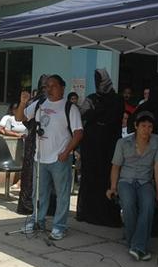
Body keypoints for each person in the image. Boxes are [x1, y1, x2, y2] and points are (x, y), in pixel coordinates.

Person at [16, 74, 83, 240]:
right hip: (40, 158)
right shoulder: (40, 103)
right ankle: (37, 220)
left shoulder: (70, 108)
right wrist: (23, 102)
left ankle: (59, 226)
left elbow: (78, 133)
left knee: (62, 194)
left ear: (62, 88)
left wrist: (66, 152)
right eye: (47, 86)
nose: (49, 89)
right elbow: (20, 118)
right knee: (38, 194)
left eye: (53, 86)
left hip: (59, 158)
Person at [107, 111, 158, 261]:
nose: (146, 129)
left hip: (145, 181)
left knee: (148, 205)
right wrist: (113, 187)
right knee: (128, 204)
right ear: (136, 126)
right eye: (143, 126)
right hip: (125, 180)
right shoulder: (123, 143)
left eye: (150, 126)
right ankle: (138, 245)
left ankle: (137, 245)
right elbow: (116, 166)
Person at [128, 73, 158, 237]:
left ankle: (155, 225)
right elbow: (131, 125)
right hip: (146, 152)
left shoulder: (154, 108)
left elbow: (136, 124)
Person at [77, 69, 124, 227]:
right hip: (91, 146)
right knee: (90, 177)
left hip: (109, 146)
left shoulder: (117, 99)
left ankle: (106, 215)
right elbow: (82, 114)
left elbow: (113, 118)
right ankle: (88, 213)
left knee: (108, 178)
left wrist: (96, 113)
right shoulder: (92, 98)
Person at [17, 74, 49, 215]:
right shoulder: (34, 103)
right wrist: (23, 102)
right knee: (30, 175)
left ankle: (45, 206)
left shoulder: (54, 102)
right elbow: (20, 118)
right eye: (44, 87)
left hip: (48, 144)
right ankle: (28, 205)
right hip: (32, 143)